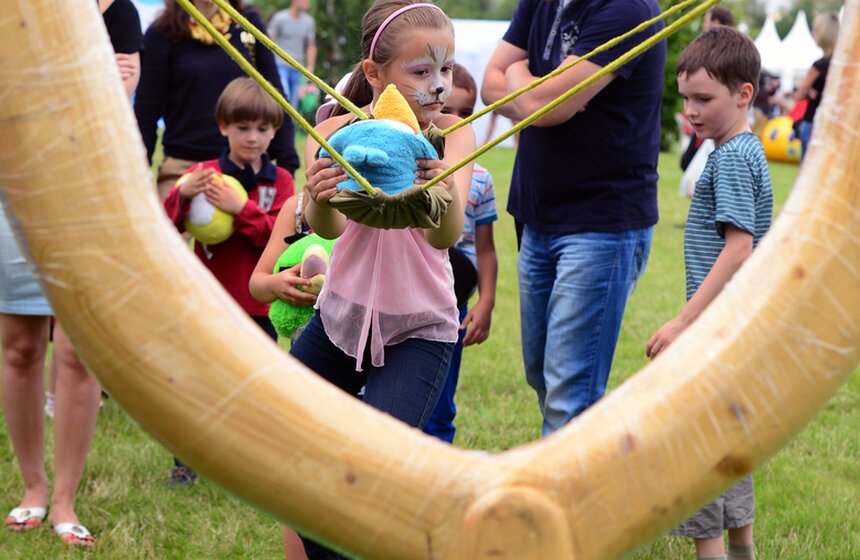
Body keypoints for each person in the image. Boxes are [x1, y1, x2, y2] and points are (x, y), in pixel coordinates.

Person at [259, 1, 474, 557]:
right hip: (340, 319)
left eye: (445, 70)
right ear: (375, 74)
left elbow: (443, 238)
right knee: (287, 449)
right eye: (421, 71)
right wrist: (320, 188)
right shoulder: (332, 128)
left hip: (420, 329)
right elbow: (326, 225)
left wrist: (439, 185)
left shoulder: (453, 134)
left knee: (373, 469)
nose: (438, 86)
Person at [482, 0, 664, 436]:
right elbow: (492, 84)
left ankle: (564, 497)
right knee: (542, 375)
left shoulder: (628, 9)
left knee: (570, 394)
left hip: (602, 224)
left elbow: (547, 105)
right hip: (538, 215)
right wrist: (528, 92)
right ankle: (587, 474)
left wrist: (520, 78)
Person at [1, 3, 142, 546]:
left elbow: (123, 98)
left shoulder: (119, 10)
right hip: (15, 182)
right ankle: (33, 487)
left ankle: (64, 498)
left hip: (90, 188)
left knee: (80, 350)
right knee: (19, 345)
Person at [646, 27, 773, 560]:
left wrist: (684, 322)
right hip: (736, 327)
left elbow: (739, 249)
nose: (691, 112)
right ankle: (742, 548)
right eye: (686, 99)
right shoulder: (739, 151)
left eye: (704, 99)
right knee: (726, 441)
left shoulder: (730, 158)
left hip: (718, 328)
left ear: (744, 94)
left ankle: (713, 552)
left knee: (694, 448)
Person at [162, 77, 295, 486]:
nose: (252, 138)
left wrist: (243, 210)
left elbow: (282, 236)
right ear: (222, 126)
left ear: (275, 131)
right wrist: (183, 197)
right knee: (200, 380)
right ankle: (187, 458)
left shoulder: (283, 182)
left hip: (261, 306)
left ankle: (244, 459)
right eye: (242, 128)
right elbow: (166, 230)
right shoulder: (205, 176)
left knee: (255, 384)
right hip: (210, 301)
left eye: (262, 129)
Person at [134, 0, 299, 201]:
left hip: (246, 171)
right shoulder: (162, 32)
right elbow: (146, 113)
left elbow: (275, 97)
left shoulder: (248, 25)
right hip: (184, 170)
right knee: (166, 233)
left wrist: (287, 165)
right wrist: (136, 177)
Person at [423, 63, 498, 443]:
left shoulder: (481, 178)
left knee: (441, 394)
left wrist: (485, 302)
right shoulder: (412, 168)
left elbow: (485, 249)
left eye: (467, 114)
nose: (457, 122)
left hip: (453, 298)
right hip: (412, 288)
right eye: (448, 110)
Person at [680, 5, 735, 171]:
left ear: (715, 23)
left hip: (715, 121)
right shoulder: (734, 50)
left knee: (692, 163)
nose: (704, 27)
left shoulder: (721, 53)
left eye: (706, 22)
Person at [794, 12, 840, 159]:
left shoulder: (819, 65)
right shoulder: (842, 65)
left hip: (812, 122)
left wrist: (808, 92)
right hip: (833, 125)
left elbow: (799, 95)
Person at [269, 0, 317, 109]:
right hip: (280, 65)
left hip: (298, 68)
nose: (307, 2)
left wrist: (310, 68)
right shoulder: (279, 18)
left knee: (294, 106)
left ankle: (291, 125)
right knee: (283, 98)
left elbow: (311, 45)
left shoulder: (309, 22)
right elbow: (269, 41)